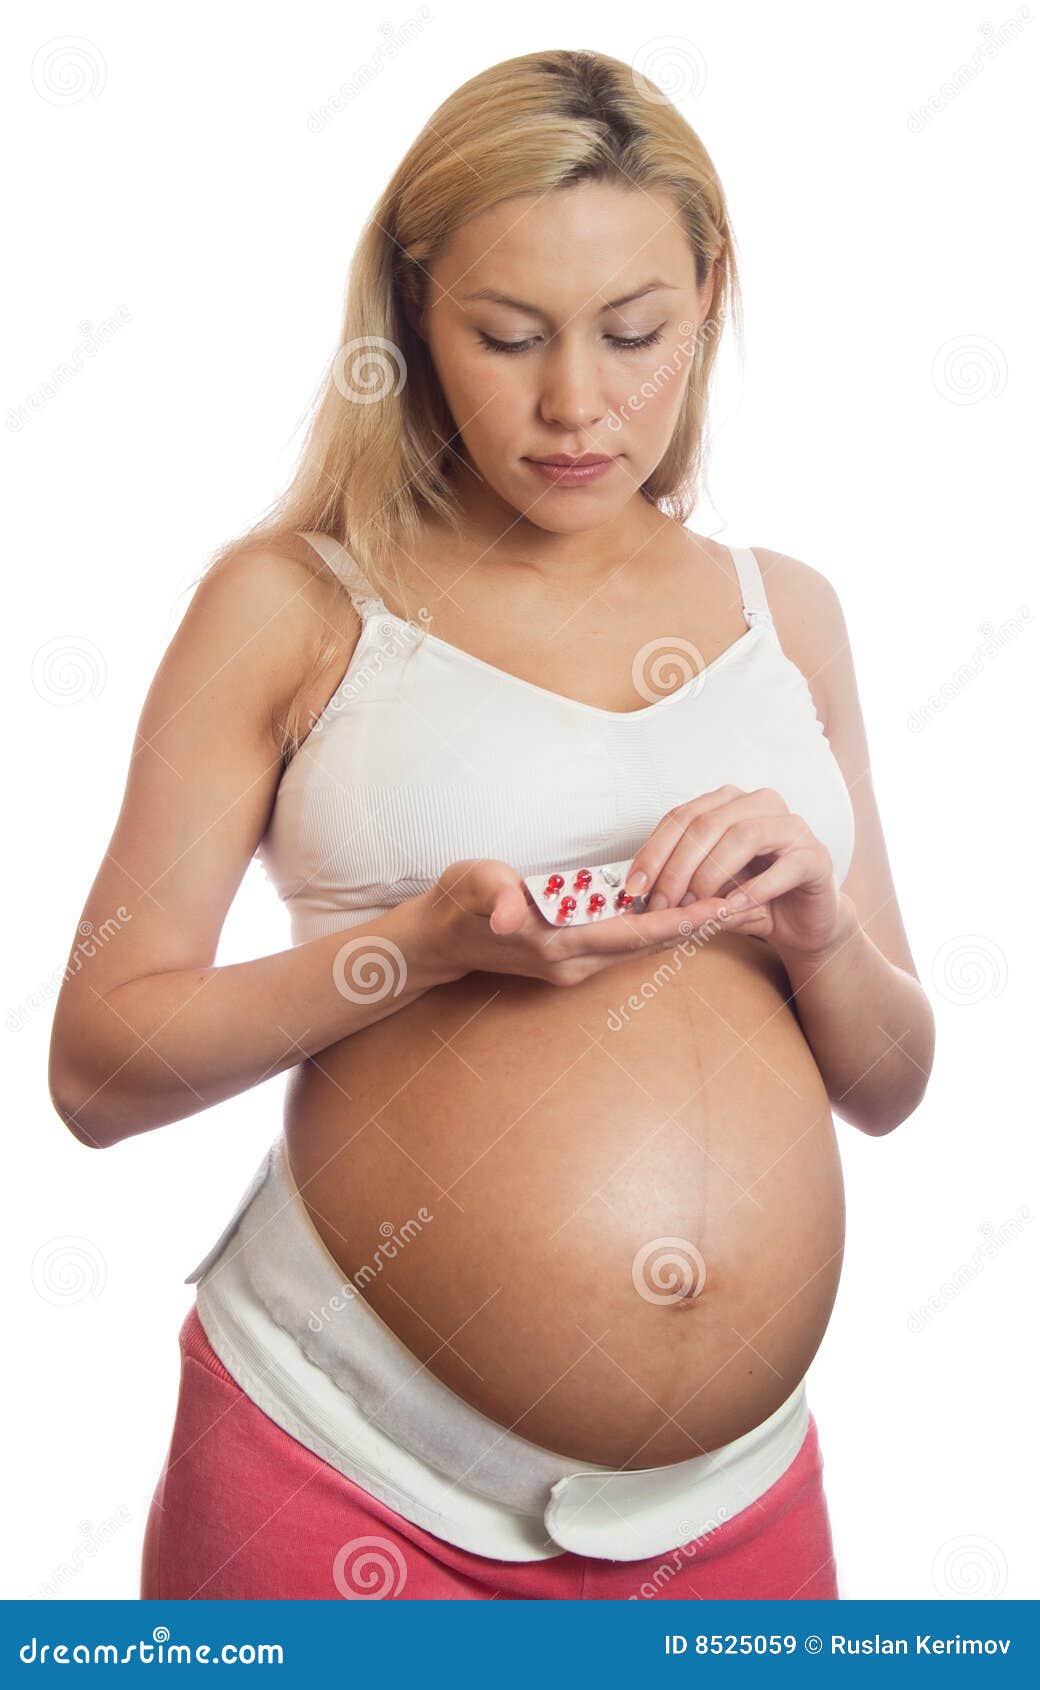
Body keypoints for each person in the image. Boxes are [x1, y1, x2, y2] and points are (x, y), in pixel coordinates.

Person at [48, 47, 935, 1601]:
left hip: (735, 1513)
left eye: (635, 331)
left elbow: (894, 1080)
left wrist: (818, 923)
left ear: (712, 293)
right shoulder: (292, 604)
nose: (576, 403)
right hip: (339, 1475)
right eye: (509, 335)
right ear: (413, 311)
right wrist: (418, 949)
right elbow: (98, 1067)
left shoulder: (786, 614)